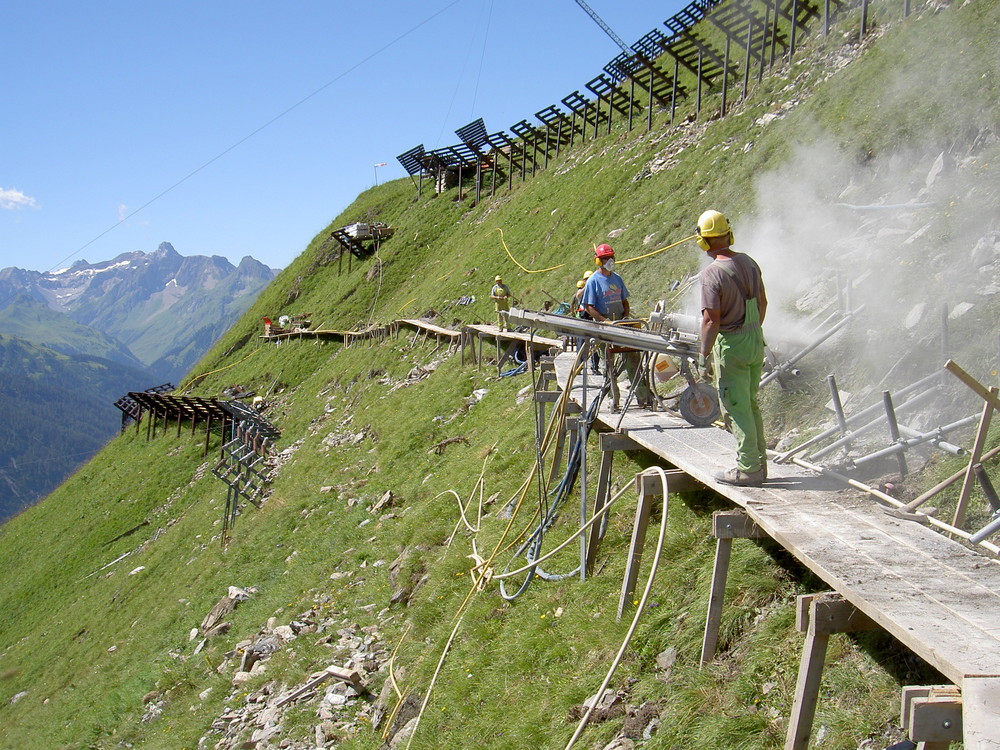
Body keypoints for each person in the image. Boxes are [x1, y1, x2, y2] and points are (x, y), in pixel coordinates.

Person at [697, 209, 768, 487]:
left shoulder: (712, 275)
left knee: (736, 407)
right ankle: (760, 463)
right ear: (729, 233)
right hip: (754, 340)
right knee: (750, 403)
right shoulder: (749, 263)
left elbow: (710, 320)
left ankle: (748, 468)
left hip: (732, 345)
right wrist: (753, 329)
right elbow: (762, 302)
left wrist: (703, 354)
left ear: (703, 241)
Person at [581, 244, 653, 408]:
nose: (610, 261)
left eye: (611, 257)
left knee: (633, 359)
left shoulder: (617, 278)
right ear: (598, 261)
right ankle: (614, 399)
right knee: (608, 363)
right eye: (606, 258)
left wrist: (626, 317)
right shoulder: (593, 281)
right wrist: (603, 321)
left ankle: (642, 396)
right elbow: (589, 306)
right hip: (604, 325)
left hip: (620, 323)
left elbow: (624, 301)